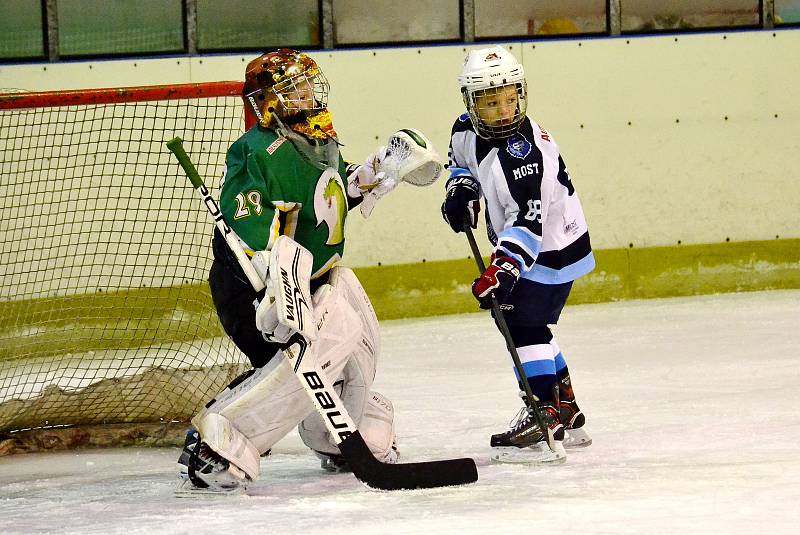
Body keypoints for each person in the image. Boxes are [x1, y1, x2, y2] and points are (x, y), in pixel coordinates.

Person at [177, 49, 399, 491]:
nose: (307, 93)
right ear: (268, 101)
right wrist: (276, 285)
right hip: (257, 287)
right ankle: (217, 445)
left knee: (357, 345)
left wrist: (380, 170)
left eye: (308, 84)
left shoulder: (321, 142)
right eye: (293, 88)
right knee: (290, 372)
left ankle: (335, 434)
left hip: (317, 279)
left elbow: (331, 196)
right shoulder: (254, 151)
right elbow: (248, 222)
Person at [441, 45, 594, 463]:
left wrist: (502, 269)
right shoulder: (463, 128)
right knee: (531, 324)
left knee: (521, 324)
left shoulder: (522, 157)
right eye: (491, 102)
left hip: (551, 248)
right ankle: (567, 407)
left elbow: (528, 224)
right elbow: (461, 163)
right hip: (532, 243)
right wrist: (461, 191)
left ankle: (544, 411)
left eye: (510, 97)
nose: (505, 110)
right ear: (471, 103)